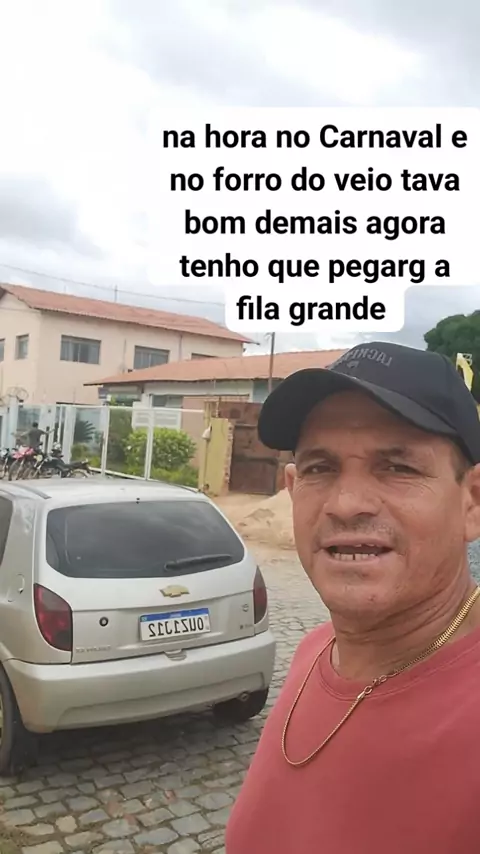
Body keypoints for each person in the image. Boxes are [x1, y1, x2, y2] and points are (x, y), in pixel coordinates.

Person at [225, 342, 480, 854]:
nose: (345, 504)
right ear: (292, 488)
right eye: (320, 468)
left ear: (472, 502)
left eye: (398, 467)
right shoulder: (315, 651)